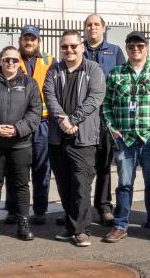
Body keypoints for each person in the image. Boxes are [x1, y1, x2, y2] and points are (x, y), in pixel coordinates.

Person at [102, 31, 150, 243]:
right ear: (126, 48)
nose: (136, 49)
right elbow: (106, 105)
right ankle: (120, 225)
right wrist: (111, 127)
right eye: (132, 46)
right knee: (125, 183)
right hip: (125, 138)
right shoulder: (116, 74)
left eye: (140, 46)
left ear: (147, 48)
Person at [44, 30, 106, 247]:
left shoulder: (93, 69)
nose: (69, 50)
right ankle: (71, 227)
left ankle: (82, 230)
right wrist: (63, 120)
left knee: (81, 186)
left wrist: (74, 120)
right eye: (65, 47)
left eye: (73, 46)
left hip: (84, 138)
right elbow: (48, 95)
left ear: (81, 47)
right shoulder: (54, 69)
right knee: (64, 185)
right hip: (57, 138)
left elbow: (95, 97)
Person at [0, 46, 43, 242]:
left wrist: (18, 129)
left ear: (19, 62)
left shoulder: (30, 84)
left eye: (14, 60)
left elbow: (35, 111)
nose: (10, 63)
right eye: (6, 60)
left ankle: (23, 223)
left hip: (20, 144)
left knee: (21, 185)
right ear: (0, 61)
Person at [6, 25, 55, 226]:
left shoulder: (50, 62)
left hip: (43, 123)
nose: (29, 42)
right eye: (26, 39)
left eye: (33, 39)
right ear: (20, 41)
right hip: (19, 123)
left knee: (42, 169)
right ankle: (14, 210)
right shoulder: (12, 61)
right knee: (15, 168)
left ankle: (40, 209)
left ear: (38, 42)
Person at [83, 13, 126, 226]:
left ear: (104, 28)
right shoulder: (77, 50)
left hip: (106, 116)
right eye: (89, 25)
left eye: (96, 25)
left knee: (104, 163)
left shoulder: (115, 51)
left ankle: (104, 206)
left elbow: (123, 83)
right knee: (82, 165)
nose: (93, 28)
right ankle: (77, 206)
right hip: (82, 117)